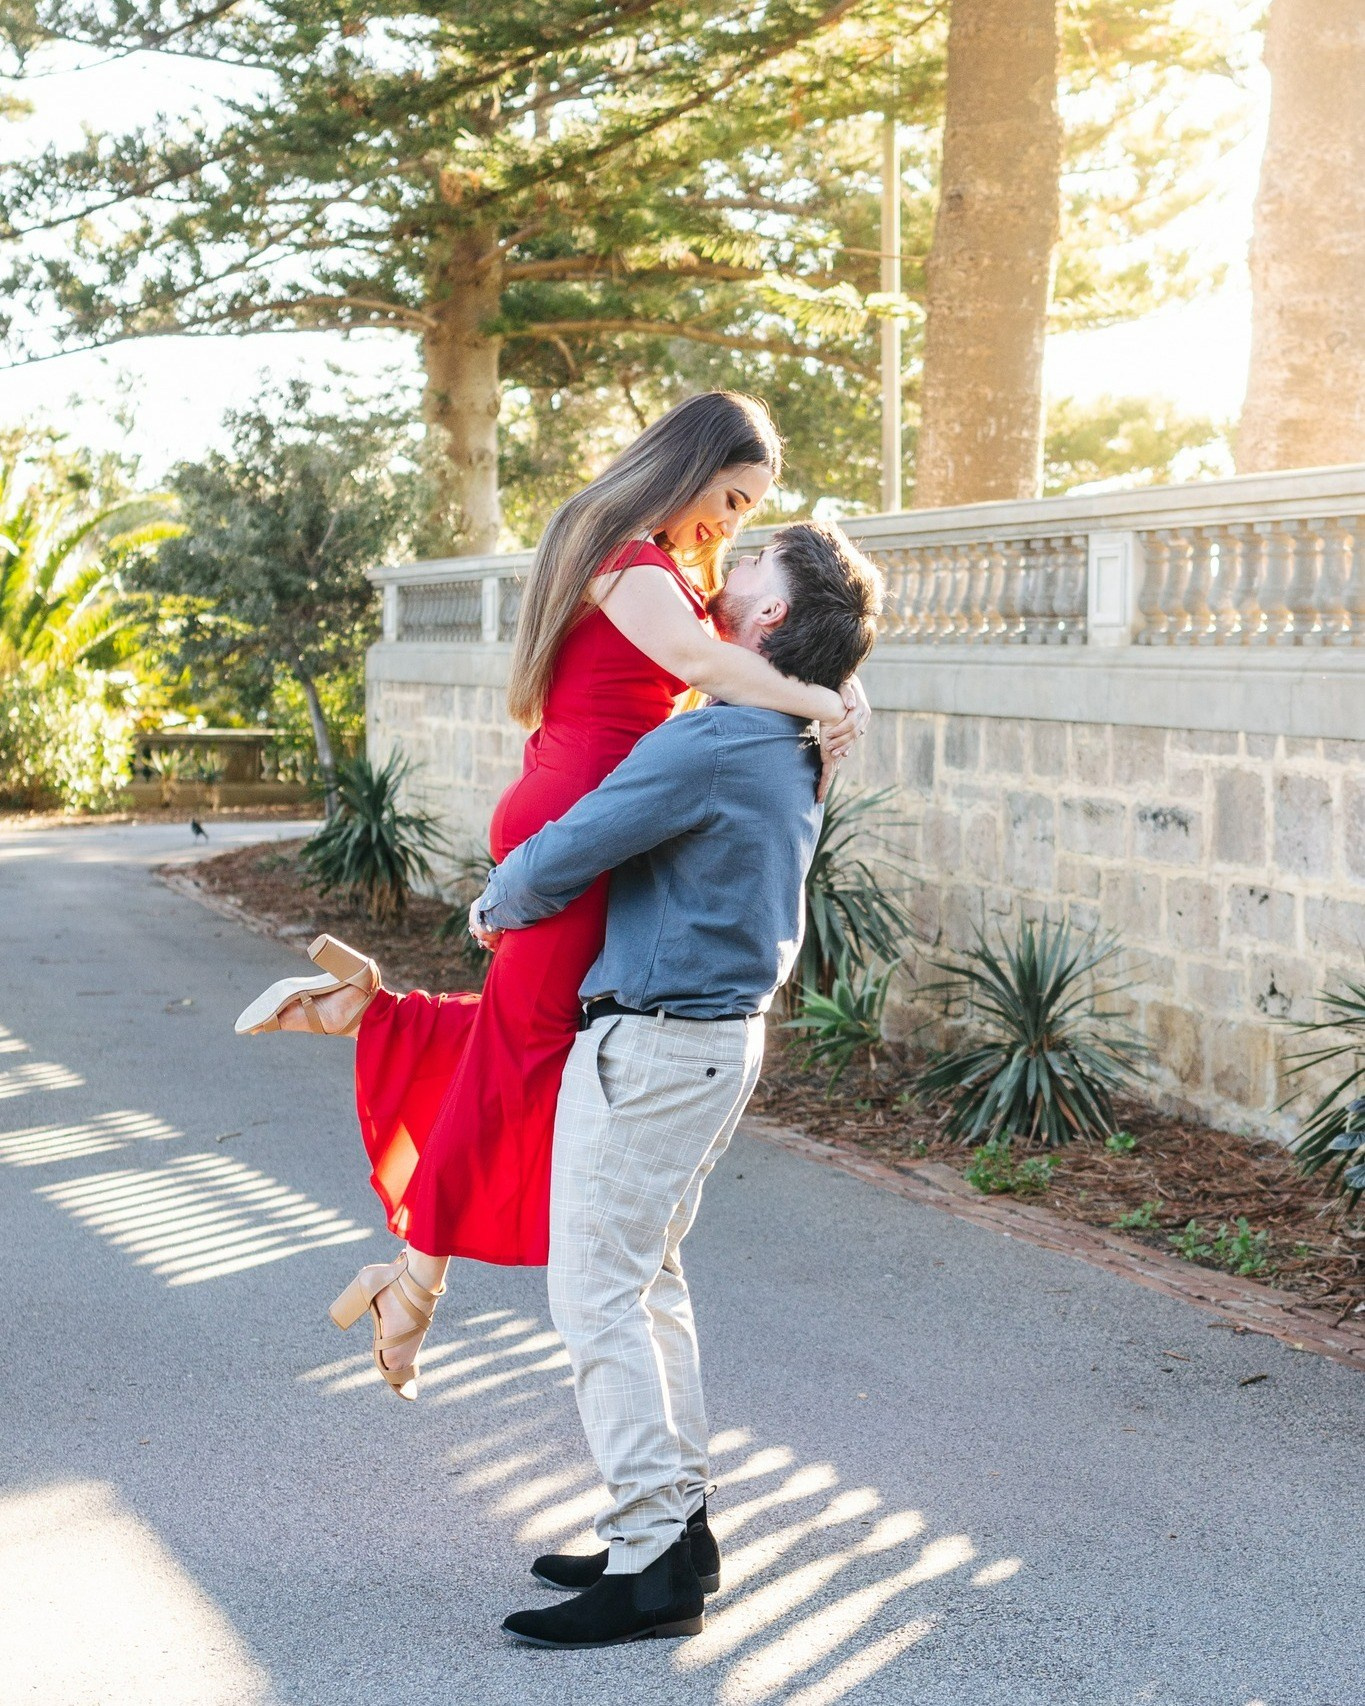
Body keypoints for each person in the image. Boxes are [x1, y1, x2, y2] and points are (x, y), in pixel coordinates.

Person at [236, 392, 871, 1399]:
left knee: (528, 1039)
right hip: (575, 833)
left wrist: (841, 686)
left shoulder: (666, 569)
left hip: (592, 823)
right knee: (519, 1059)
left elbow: (758, 647)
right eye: (734, 497)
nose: (734, 524)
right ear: (694, 462)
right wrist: (827, 703)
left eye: (751, 514)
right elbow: (712, 664)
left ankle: (370, 1024)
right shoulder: (626, 556)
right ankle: (412, 1282)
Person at [459, 520, 885, 1649]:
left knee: (597, 1290)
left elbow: (578, 839)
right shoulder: (798, 738)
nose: (724, 567)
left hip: (654, 1045)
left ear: (771, 619)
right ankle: (677, 1527)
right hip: (714, 1041)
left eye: (749, 564)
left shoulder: (721, 739)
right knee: (647, 1283)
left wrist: (493, 904)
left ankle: (650, 1559)